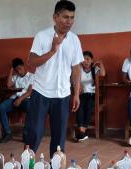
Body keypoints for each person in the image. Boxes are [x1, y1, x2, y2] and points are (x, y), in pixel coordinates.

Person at [26, 0, 83, 156]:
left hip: (62, 95)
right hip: (41, 93)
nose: (69, 21)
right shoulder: (42, 36)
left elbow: (76, 68)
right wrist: (52, 51)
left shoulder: (74, 39)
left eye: (72, 17)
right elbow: (31, 62)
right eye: (65, 17)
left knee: (59, 138)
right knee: (34, 134)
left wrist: (76, 93)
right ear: (55, 17)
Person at [0, 58, 34, 143]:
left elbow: (30, 92)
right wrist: (11, 70)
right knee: (1, 107)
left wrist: (20, 99)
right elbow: (8, 84)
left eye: (20, 68)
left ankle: (26, 133)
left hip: (25, 99)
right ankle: (8, 133)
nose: (19, 71)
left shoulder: (31, 76)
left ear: (23, 66)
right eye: (17, 70)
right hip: (14, 98)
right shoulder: (15, 77)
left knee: (30, 107)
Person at [75, 51, 105, 142]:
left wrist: (101, 64)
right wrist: (79, 85)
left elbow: (103, 74)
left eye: (88, 59)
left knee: (88, 105)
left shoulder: (94, 68)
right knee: (79, 106)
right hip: (82, 94)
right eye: (84, 59)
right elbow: (74, 79)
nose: (86, 61)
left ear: (92, 60)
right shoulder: (79, 68)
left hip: (92, 94)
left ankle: (82, 131)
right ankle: (81, 129)